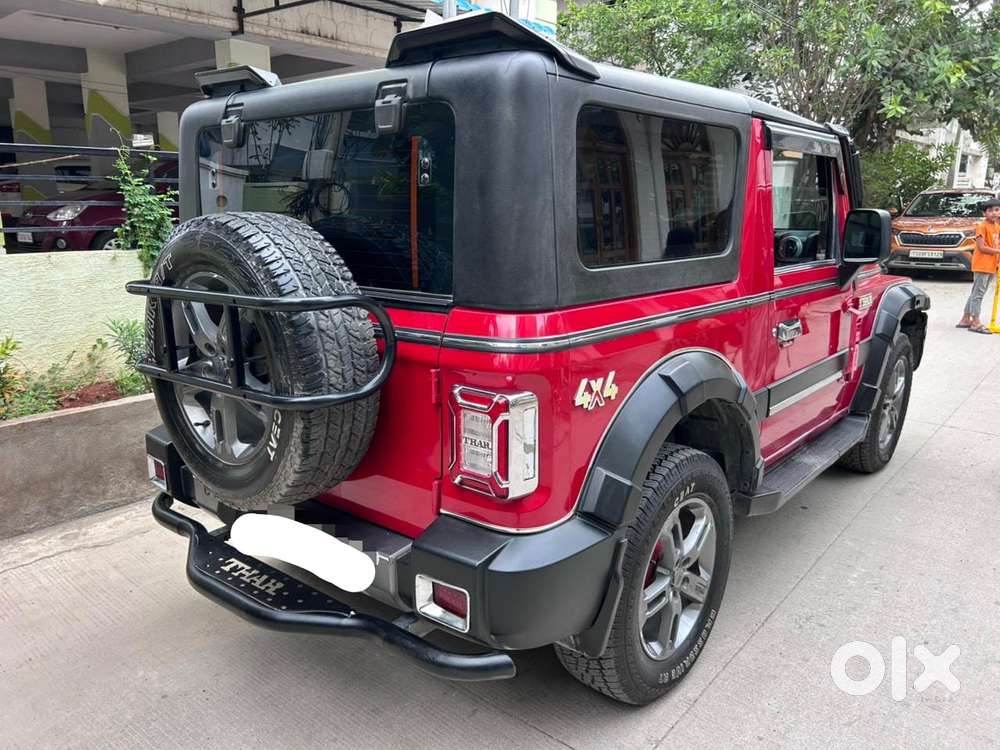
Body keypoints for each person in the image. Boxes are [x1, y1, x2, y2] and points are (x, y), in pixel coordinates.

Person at [957, 198, 1000, 334]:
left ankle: (965, 318)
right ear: (984, 213)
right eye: (990, 210)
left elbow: (996, 245)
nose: (994, 213)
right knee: (978, 294)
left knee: (976, 292)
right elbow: (982, 247)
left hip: (991, 264)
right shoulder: (982, 226)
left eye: (997, 210)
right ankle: (975, 322)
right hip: (982, 264)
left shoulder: (997, 227)